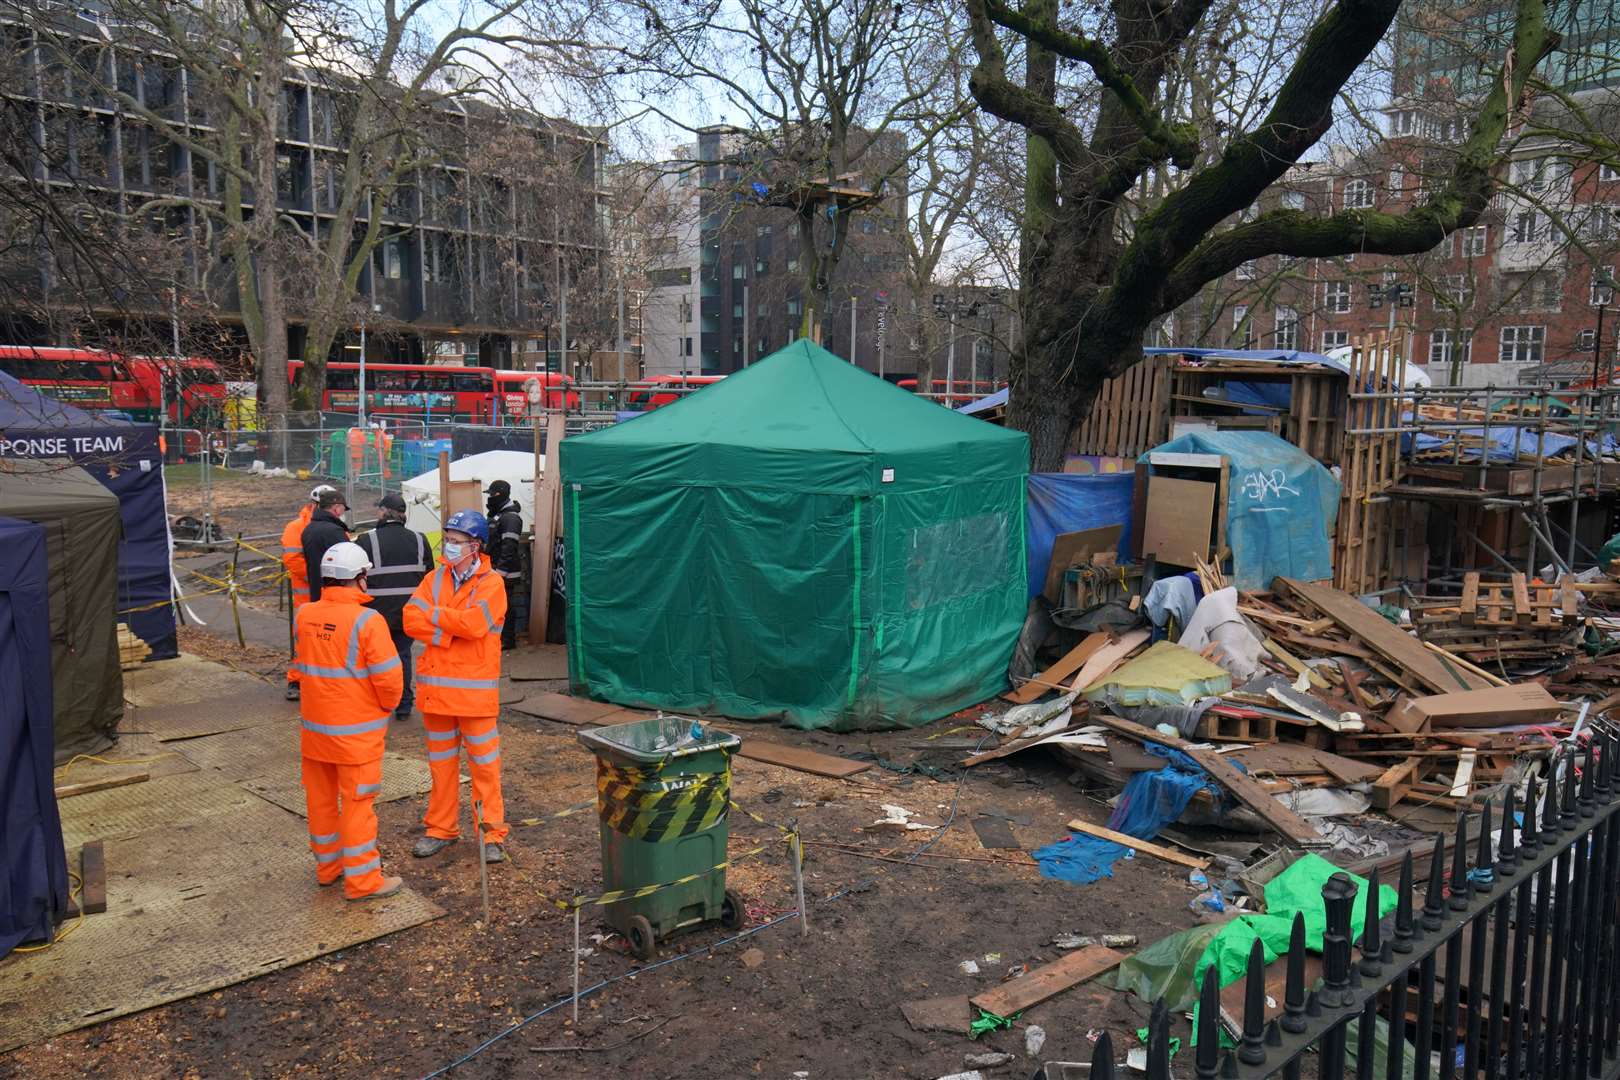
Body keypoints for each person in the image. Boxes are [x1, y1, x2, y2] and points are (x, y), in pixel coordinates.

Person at [294, 541, 404, 901]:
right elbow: (389, 680)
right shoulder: (367, 621)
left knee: (321, 802)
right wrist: (386, 709)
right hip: (356, 737)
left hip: (315, 732)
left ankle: (328, 868)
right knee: (358, 807)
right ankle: (363, 882)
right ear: (359, 577)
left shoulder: (305, 614)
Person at [402, 510, 509, 863]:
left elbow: (476, 625)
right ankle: (440, 829)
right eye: (447, 538)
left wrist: (437, 619)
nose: (448, 545)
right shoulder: (434, 579)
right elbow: (409, 619)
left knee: (485, 769)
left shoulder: (492, 583)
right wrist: (451, 631)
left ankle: (490, 833)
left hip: (475, 698)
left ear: (475, 546)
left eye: (456, 540)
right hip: (437, 698)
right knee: (441, 768)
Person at [355, 493, 434, 720]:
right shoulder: (420, 539)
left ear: (384, 512)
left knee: (375, 659)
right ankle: (404, 705)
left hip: (376, 613)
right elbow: (429, 578)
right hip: (409, 614)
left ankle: (380, 701)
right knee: (402, 655)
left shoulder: (365, 540)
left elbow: (357, 578)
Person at [281, 484, 338, 701]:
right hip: (307, 596)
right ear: (313, 504)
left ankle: (325, 678)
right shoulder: (296, 528)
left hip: (331, 594)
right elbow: (293, 560)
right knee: (305, 639)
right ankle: (296, 679)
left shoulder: (334, 526)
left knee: (331, 638)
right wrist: (320, 577)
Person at [483, 480, 525, 650]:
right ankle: (500, 638)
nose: (489, 498)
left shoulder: (511, 518)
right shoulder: (499, 515)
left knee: (504, 607)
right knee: (497, 606)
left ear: (499, 495)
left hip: (505, 573)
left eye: (491, 494)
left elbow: (509, 547)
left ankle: (508, 640)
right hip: (495, 569)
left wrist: (499, 573)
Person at [301, 489, 351, 603]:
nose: (343, 513)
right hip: (334, 595)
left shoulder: (308, 529)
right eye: (344, 509)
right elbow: (348, 561)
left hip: (316, 592)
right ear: (337, 507)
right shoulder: (334, 531)